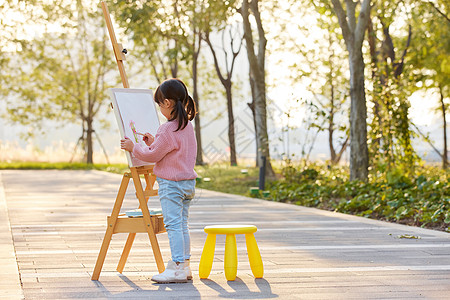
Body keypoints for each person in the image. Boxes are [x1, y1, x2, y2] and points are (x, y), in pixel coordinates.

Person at [120, 78, 197, 283]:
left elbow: (152, 156)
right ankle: (185, 265)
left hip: (171, 185)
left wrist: (133, 147)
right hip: (187, 183)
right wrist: (153, 143)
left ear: (168, 103)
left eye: (160, 104)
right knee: (182, 224)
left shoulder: (166, 129)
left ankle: (178, 267)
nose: (160, 108)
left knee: (173, 225)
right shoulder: (187, 126)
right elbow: (168, 150)